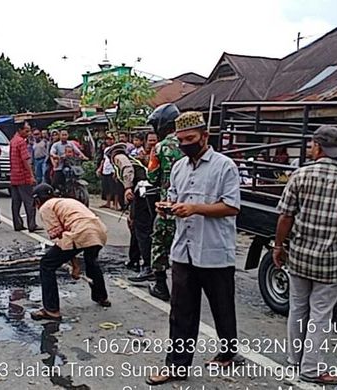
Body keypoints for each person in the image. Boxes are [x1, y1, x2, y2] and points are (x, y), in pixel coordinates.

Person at [147, 111, 243, 386]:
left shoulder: (224, 166)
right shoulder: (179, 167)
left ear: (204, 136)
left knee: (222, 306)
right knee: (181, 312)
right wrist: (166, 208)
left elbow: (232, 206)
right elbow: (173, 199)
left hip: (213, 250)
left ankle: (227, 352)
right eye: (181, 140)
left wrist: (195, 209)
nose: (185, 143)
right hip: (183, 251)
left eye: (190, 139)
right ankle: (176, 366)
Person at [273, 125, 337, 385]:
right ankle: (311, 368)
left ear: (317, 147)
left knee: (298, 309)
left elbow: (285, 216)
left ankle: (295, 361)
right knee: (320, 315)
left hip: (299, 257)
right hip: (331, 263)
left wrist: (278, 246)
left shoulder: (300, 176)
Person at [30, 184, 110, 321]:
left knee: (47, 264)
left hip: (80, 231)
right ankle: (101, 297)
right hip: (99, 231)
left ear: (38, 201)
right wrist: (76, 266)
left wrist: (75, 266)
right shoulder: (66, 201)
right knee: (91, 261)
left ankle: (51, 310)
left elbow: (62, 239)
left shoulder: (46, 208)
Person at [145, 103, 184, 301]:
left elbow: (152, 177)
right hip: (192, 206)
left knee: (159, 243)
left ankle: (161, 286)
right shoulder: (188, 142)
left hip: (168, 207)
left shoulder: (159, 148)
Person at [109, 143, 157, 282]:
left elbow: (127, 169)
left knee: (142, 230)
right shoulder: (133, 159)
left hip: (141, 192)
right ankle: (134, 259)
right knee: (135, 226)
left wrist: (127, 188)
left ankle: (147, 266)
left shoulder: (120, 157)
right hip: (145, 193)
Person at [10, 122, 38, 231]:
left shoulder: (13, 141)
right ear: (20, 130)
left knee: (16, 202)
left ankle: (17, 224)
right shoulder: (21, 142)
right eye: (26, 131)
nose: (29, 133)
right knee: (29, 201)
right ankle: (32, 225)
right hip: (23, 175)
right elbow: (26, 160)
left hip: (14, 175)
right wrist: (31, 175)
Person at [97, 134, 121, 210]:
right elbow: (104, 160)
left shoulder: (117, 149)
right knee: (106, 187)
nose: (109, 141)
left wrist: (116, 171)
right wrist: (100, 168)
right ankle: (108, 203)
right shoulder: (106, 149)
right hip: (106, 169)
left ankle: (116, 204)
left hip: (113, 169)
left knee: (115, 188)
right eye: (107, 139)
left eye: (110, 139)